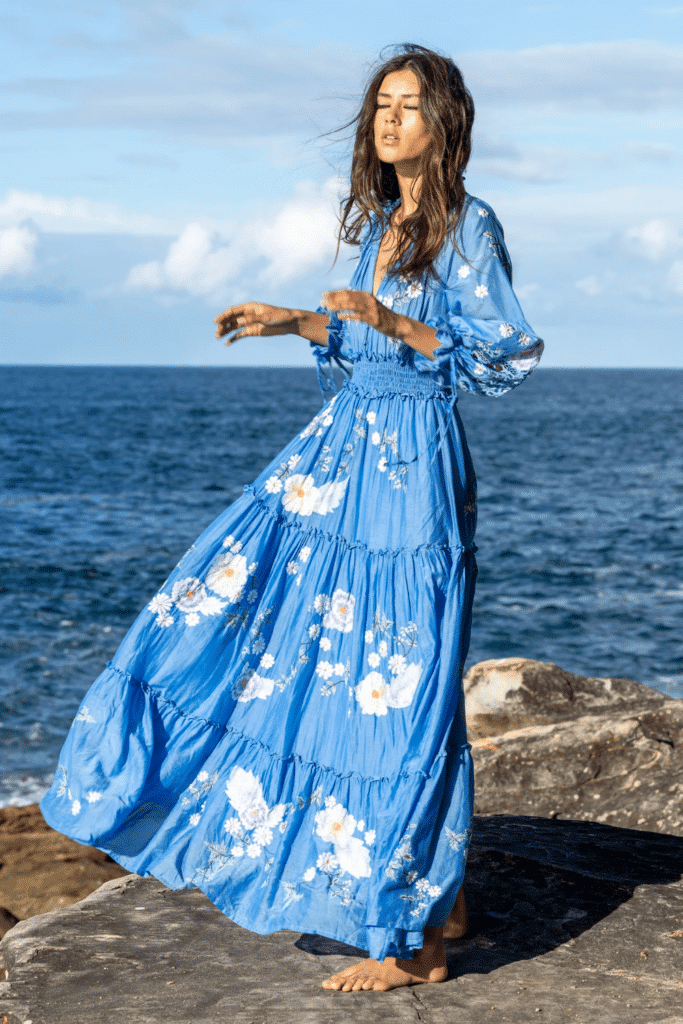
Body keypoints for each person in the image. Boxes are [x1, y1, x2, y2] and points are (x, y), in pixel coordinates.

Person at [40, 44, 543, 994]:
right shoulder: (380, 225)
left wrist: (394, 326)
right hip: (341, 455)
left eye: (408, 105)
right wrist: (295, 321)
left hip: (410, 473)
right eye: (380, 105)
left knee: (396, 687)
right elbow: (355, 338)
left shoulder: (469, 227)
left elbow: (502, 356)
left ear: (445, 122)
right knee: (237, 615)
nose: (388, 119)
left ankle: (412, 943)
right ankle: (441, 897)